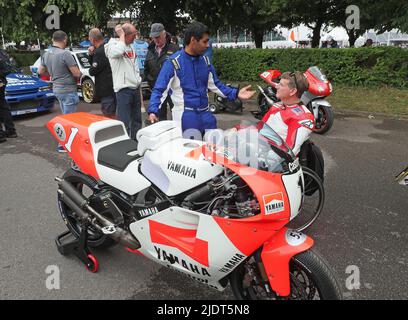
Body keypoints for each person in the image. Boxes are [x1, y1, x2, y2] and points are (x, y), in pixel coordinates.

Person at [147, 22, 255, 138]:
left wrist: (236, 93)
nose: (208, 45)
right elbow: (159, 89)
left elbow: (216, 85)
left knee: (212, 151)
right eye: (205, 41)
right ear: (193, 40)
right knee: (189, 154)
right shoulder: (173, 62)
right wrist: (153, 111)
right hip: (185, 117)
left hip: (206, 115)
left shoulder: (206, 61)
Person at [232, 72, 314, 157]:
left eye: (281, 85)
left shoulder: (303, 118)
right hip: (258, 149)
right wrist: (238, 129)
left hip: (271, 163)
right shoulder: (277, 105)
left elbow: (290, 152)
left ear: (292, 91)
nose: (276, 86)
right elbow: (260, 128)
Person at [39, 30, 81, 152]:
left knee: (64, 117)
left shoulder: (46, 54)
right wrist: (80, 73)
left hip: (57, 88)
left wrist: (54, 74)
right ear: (64, 39)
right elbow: (76, 73)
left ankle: (66, 142)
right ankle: (63, 145)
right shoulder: (65, 54)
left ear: (53, 39)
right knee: (69, 120)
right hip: (68, 89)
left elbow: (41, 72)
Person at [105, 23, 143, 140]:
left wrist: (138, 82)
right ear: (124, 34)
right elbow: (118, 52)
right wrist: (121, 35)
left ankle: (135, 144)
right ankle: (124, 147)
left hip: (135, 88)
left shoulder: (131, 46)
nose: (135, 37)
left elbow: (135, 66)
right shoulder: (111, 45)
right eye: (133, 34)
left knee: (137, 121)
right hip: (123, 90)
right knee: (124, 123)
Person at [144, 23, 179, 121]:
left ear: (164, 34)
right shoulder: (150, 50)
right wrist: (151, 82)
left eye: (158, 37)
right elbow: (147, 68)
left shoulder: (174, 48)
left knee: (176, 113)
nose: (156, 40)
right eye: (154, 37)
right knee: (160, 116)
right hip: (157, 88)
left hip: (172, 89)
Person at [88, 28, 116, 118]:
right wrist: (91, 55)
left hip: (106, 89)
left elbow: (93, 70)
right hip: (112, 86)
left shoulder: (100, 52)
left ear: (92, 39)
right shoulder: (108, 47)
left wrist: (92, 56)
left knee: (109, 115)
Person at [0, 48, 18, 143]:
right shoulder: (2, 51)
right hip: (2, 81)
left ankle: (1, 136)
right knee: (3, 105)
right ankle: (11, 131)